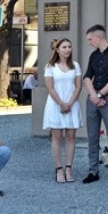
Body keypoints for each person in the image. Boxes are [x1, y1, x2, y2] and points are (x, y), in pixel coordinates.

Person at [81, 24, 108, 184]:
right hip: (93, 99)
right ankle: (93, 171)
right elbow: (87, 77)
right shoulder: (93, 56)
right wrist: (94, 95)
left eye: (90, 39)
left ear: (99, 37)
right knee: (92, 136)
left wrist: (100, 94)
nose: (89, 42)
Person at [43, 38, 83, 183]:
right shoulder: (50, 66)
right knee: (57, 137)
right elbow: (50, 87)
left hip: (71, 103)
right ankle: (59, 169)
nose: (67, 49)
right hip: (56, 104)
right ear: (58, 49)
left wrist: (70, 103)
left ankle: (68, 168)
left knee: (71, 136)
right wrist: (61, 103)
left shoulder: (75, 66)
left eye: (69, 47)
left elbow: (78, 86)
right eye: (64, 47)